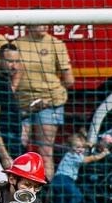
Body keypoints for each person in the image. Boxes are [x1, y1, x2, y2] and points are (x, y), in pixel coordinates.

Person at [13, 24, 74, 175]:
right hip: (22, 102)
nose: (43, 25)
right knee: (18, 146)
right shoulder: (17, 45)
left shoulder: (56, 44)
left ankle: (47, 195)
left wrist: (50, 95)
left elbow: (69, 79)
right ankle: (18, 191)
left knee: (45, 151)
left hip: (48, 103)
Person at [49, 133, 110, 203]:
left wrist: (91, 144)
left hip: (56, 180)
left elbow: (85, 145)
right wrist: (103, 154)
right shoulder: (74, 155)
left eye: (82, 147)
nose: (80, 149)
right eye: (77, 147)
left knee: (60, 201)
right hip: (65, 179)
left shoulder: (71, 153)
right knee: (77, 195)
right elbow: (90, 159)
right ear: (70, 147)